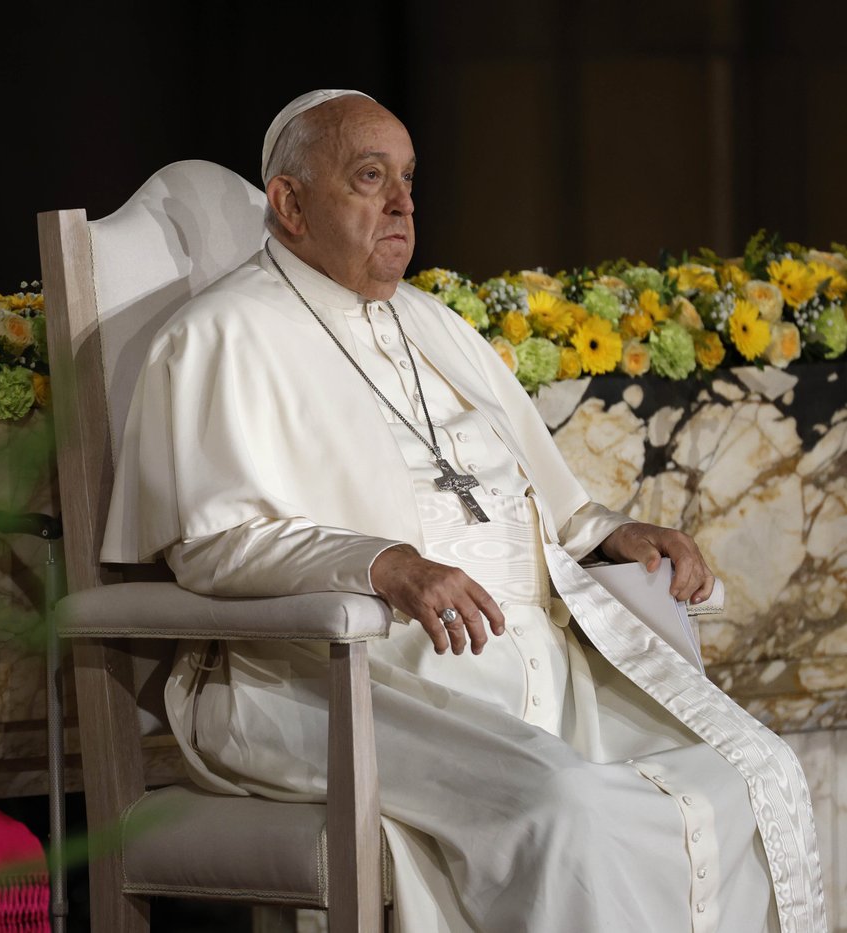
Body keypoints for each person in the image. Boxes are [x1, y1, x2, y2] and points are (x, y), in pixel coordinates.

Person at [101, 89, 826, 932]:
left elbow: (543, 499)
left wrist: (608, 534)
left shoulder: (433, 324)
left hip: (527, 668)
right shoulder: (217, 336)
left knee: (751, 772)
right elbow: (213, 548)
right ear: (290, 204)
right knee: (570, 812)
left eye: (408, 179)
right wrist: (384, 563)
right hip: (330, 679)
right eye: (370, 178)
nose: (403, 204)